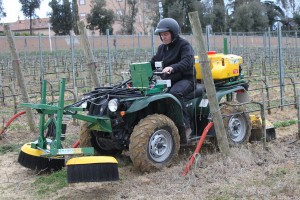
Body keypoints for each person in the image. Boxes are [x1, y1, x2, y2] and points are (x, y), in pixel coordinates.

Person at [150, 18, 196, 142]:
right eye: (161, 35)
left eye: (166, 34)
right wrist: (141, 68)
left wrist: (172, 67)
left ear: (173, 33)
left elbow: (187, 61)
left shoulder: (184, 45)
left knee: (174, 94)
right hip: (168, 81)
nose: (163, 37)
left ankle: (186, 127)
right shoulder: (162, 49)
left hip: (186, 80)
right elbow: (153, 63)